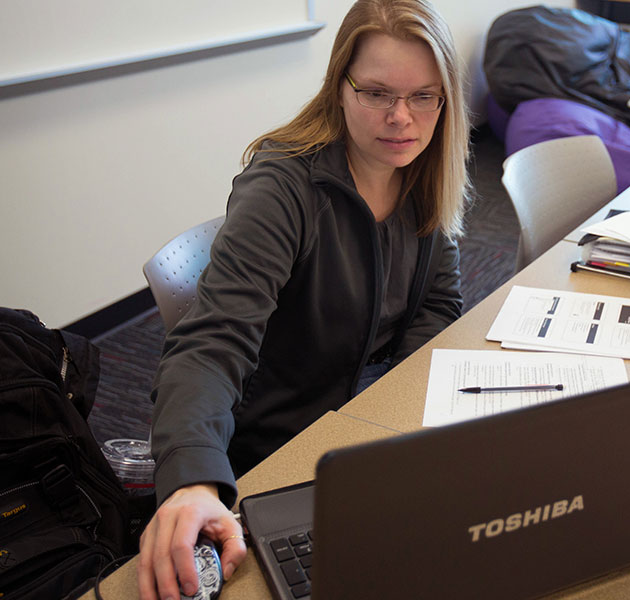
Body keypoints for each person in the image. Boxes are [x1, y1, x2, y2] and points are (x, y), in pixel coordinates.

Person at [136, 1, 470, 598]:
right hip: (269, 455)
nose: (402, 118)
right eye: (376, 93)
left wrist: (394, 421)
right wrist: (190, 480)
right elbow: (211, 344)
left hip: (354, 440)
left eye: (425, 95)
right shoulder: (283, 187)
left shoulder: (425, 172)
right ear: (338, 86)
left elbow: (436, 307)